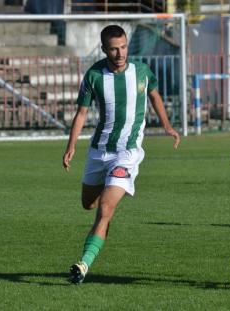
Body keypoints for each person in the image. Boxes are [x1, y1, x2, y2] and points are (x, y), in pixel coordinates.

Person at [62, 25, 180, 284]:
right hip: (98, 151)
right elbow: (81, 114)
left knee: (105, 209)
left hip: (126, 154)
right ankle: (102, 224)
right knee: (89, 204)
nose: (120, 53)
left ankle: (83, 264)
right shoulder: (94, 75)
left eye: (123, 47)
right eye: (114, 48)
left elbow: (155, 96)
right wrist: (71, 146)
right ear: (104, 49)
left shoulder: (141, 71)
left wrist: (168, 126)